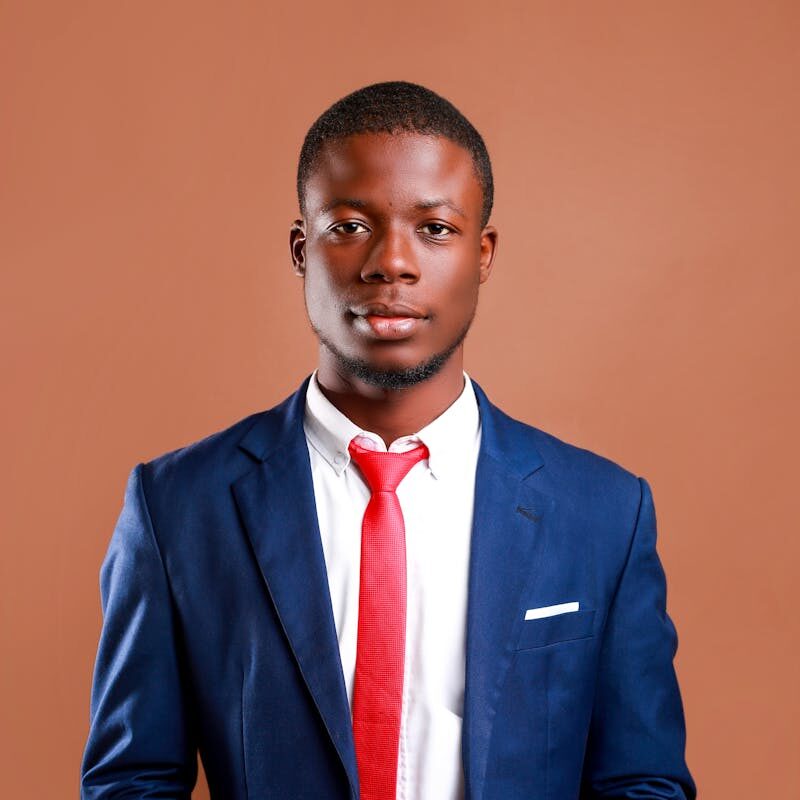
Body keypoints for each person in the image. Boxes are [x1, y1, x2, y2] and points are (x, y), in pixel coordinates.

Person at [81, 81, 695, 800]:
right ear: (300, 248)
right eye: (348, 226)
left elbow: (642, 782)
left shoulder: (602, 514)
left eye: (435, 228)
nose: (391, 263)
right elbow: (132, 781)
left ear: (484, 252)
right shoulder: (178, 507)